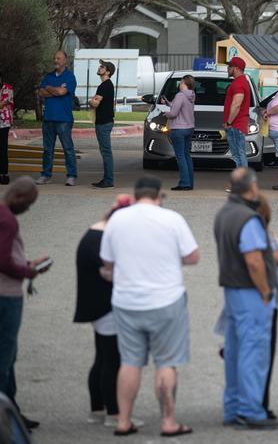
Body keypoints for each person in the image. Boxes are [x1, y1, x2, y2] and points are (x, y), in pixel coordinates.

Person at [100, 176, 199, 437]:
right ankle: (168, 421)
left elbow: (107, 262)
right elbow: (192, 256)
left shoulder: (117, 220)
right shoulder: (172, 219)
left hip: (126, 301)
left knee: (130, 362)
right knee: (166, 362)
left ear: (134, 196)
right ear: (158, 195)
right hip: (166, 300)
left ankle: (123, 421)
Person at [0, 177, 50, 431]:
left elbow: (0, 255)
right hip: (3, 293)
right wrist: (29, 272)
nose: (28, 209)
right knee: (2, 356)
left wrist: (27, 263)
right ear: (18, 197)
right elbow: (3, 263)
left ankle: (11, 411)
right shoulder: (7, 219)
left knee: (7, 353)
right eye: (28, 203)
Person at [213, 168, 278, 430]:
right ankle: (252, 410)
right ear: (251, 188)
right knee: (254, 352)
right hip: (251, 293)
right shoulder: (248, 219)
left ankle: (232, 408)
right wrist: (265, 290)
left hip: (231, 290)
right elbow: (253, 261)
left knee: (235, 350)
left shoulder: (224, 213)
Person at [74, 194, 143, 428]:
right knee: (112, 360)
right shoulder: (104, 239)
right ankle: (114, 413)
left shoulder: (95, 232)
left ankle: (98, 409)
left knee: (102, 357)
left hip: (95, 304)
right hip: (105, 305)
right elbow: (115, 272)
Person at [254, 193, 278, 420]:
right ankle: (260, 403)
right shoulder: (264, 235)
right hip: (266, 300)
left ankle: (254, 401)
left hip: (250, 299)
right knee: (263, 353)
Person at [36, 50, 78, 186]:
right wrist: (55, 90)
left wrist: (49, 89)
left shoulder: (70, 77)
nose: (56, 60)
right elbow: (41, 93)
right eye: (54, 58)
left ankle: (71, 176)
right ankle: (46, 175)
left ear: (65, 60)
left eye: (59, 58)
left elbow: (62, 92)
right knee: (47, 149)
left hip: (64, 119)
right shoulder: (48, 77)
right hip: (48, 118)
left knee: (68, 149)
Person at [165, 74, 196, 191]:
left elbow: (173, 113)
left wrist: (166, 114)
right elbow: (179, 107)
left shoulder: (180, 95)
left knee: (180, 156)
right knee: (187, 155)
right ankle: (190, 182)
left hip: (178, 129)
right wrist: (168, 103)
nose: (179, 84)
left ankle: (184, 183)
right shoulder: (191, 95)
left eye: (181, 82)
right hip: (189, 127)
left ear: (184, 83)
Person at [89, 60, 116, 189]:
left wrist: (91, 100)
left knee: (106, 152)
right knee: (105, 151)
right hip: (104, 121)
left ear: (108, 71)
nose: (99, 68)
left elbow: (95, 103)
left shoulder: (104, 86)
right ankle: (107, 179)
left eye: (102, 67)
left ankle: (108, 180)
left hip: (103, 123)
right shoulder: (106, 85)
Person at [224, 56, 252, 170]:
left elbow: (236, 104)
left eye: (229, 66)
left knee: (238, 156)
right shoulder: (242, 81)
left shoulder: (238, 83)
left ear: (236, 68)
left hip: (236, 125)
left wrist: (229, 122)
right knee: (240, 154)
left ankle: (241, 182)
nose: (227, 68)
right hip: (238, 125)